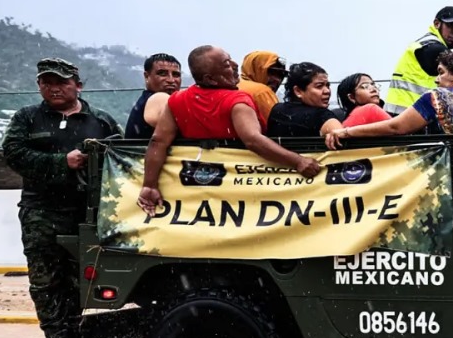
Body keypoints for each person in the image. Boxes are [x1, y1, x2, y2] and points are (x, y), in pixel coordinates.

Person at [1, 58, 122, 338]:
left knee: (79, 281)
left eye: (61, 82)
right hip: (41, 211)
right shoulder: (27, 118)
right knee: (45, 281)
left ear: (78, 85)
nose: (54, 87)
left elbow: (121, 160)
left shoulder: (102, 122)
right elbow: (13, 154)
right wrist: (61, 163)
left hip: (86, 213)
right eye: (46, 82)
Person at [137, 45, 321, 214]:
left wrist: (149, 185)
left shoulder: (177, 100)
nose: (234, 65)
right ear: (210, 78)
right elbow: (253, 140)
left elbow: (158, 142)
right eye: (226, 64)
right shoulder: (237, 101)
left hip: (196, 192)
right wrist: (298, 161)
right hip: (239, 194)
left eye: (231, 59)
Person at [328, 51, 453, 146]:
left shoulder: (438, 97)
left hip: (451, 177)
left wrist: (346, 132)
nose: (437, 79)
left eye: (441, 72)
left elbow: (396, 127)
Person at [266, 62, 343, 140]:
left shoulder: (277, 110)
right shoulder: (322, 116)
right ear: (298, 91)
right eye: (319, 86)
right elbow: (342, 138)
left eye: (327, 86)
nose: (327, 91)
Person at [124, 53, 182, 139]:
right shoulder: (159, 98)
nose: (171, 80)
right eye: (162, 74)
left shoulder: (146, 100)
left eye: (176, 75)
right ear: (147, 76)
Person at [237, 50, 287, 122]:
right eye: (272, 73)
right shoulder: (261, 92)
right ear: (255, 68)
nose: (277, 80)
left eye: (281, 75)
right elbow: (280, 126)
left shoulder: (232, 86)